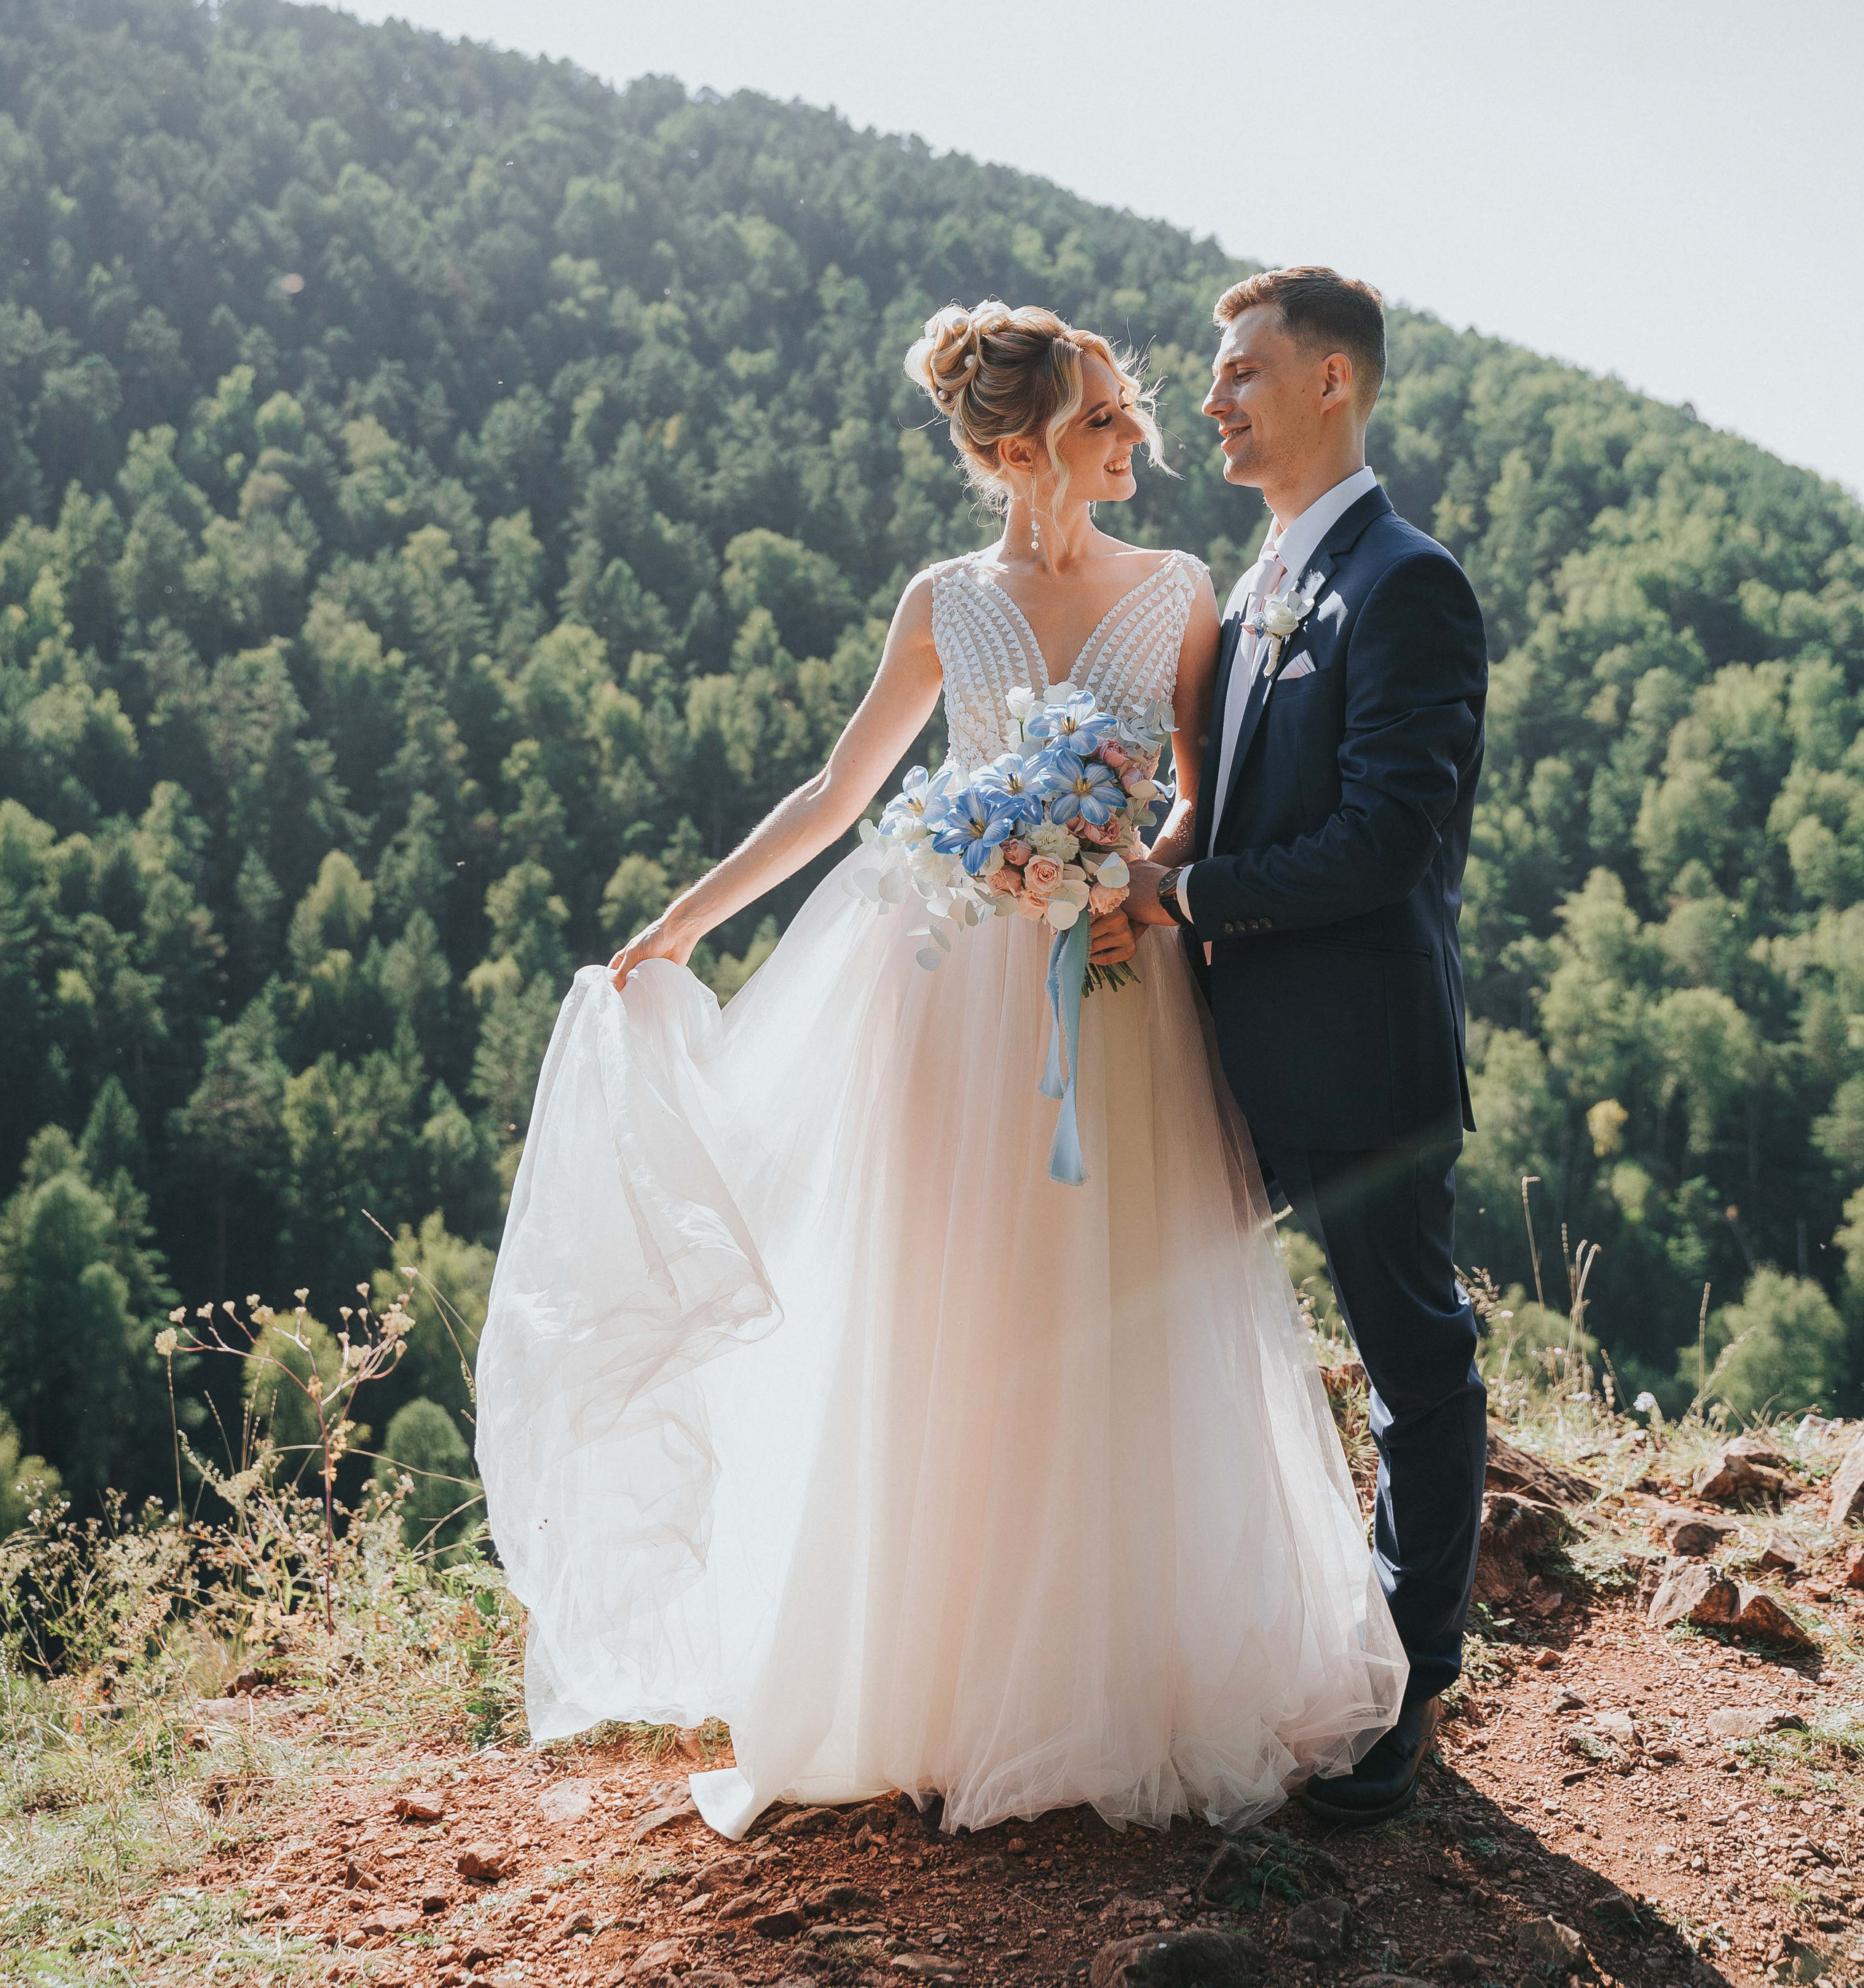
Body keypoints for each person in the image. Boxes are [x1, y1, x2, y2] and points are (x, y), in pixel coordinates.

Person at [477, 297, 1405, 1840]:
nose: (1143, 435)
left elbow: (1196, 805)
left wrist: (1119, 887)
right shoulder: (940, 603)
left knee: (1118, 1318)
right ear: (1022, 445)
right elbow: (840, 794)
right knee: (948, 1319)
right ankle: (939, 1676)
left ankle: (1121, 1671)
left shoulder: (1180, 590)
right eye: (1109, 414)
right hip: (945, 1005)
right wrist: (680, 923)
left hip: (1115, 991)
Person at [1122, 266, 1489, 1827]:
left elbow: (1380, 845)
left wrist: (1187, 892)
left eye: (1239, 372)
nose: (1212, 397)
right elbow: (1231, 793)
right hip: (1215, 1052)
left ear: (1330, 382)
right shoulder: (1263, 574)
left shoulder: (1405, 583)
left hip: (1354, 1059)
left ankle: (1404, 1693)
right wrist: (1120, 859)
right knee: (1160, 1346)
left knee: (1411, 1358)